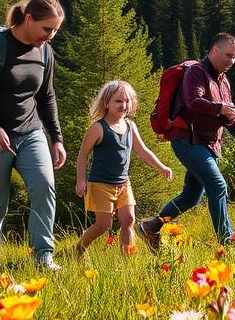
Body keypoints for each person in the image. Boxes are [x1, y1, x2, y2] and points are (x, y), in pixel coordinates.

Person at [0, 0, 67, 270]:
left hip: (31, 133)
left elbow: (46, 96)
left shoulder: (45, 52)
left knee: (44, 187)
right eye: (47, 29)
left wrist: (56, 139)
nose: (51, 35)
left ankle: (43, 257)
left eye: (55, 30)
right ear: (28, 19)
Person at [139, 33, 235, 250]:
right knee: (217, 185)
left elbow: (223, 114)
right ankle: (228, 242)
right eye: (228, 55)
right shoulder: (196, 72)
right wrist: (219, 108)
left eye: (234, 57)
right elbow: (194, 102)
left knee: (190, 197)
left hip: (209, 144)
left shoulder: (224, 81)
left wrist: (230, 116)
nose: (231, 61)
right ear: (214, 50)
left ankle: (151, 226)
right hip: (189, 140)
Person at [73, 80, 173, 256]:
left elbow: (142, 151)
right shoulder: (98, 128)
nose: (123, 105)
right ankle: (79, 248)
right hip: (100, 185)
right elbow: (82, 155)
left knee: (129, 220)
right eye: (118, 101)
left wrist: (161, 166)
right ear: (106, 103)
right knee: (103, 225)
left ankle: (127, 260)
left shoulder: (130, 126)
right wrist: (81, 180)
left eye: (127, 101)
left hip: (123, 183)